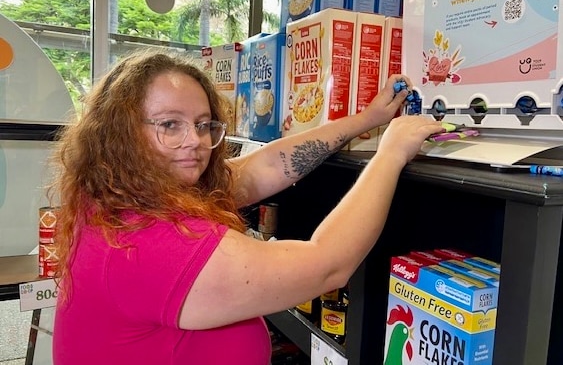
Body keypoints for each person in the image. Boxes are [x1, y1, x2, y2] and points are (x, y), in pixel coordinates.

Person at [49, 48, 444, 364]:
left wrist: (365, 119)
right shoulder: (146, 242)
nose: (195, 142)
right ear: (119, 135)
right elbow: (329, 265)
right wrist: (390, 153)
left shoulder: (118, 192)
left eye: (203, 124)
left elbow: (265, 167)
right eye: (170, 124)